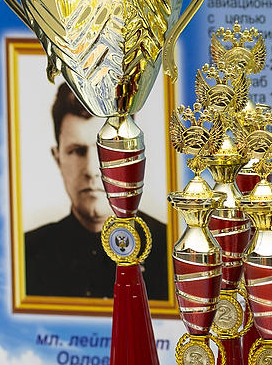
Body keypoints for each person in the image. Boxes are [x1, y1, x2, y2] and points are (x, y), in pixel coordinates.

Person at [24, 83, 169, 300]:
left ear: (130, 155)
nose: (92, 170)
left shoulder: (168, 248)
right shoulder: (26, 253)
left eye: (106, 150)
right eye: (77, 151)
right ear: (58, 158)